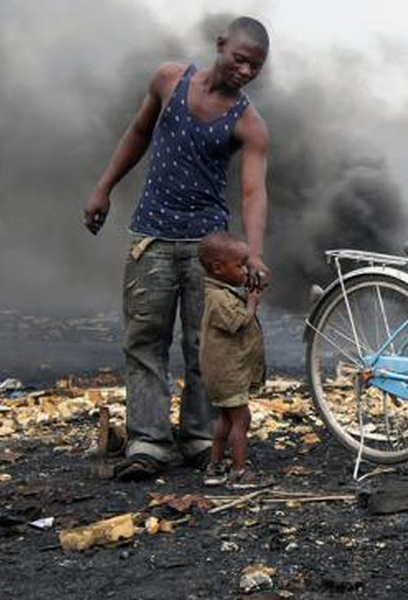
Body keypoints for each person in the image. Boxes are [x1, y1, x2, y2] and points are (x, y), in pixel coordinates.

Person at [82, 17, 271, 480]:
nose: (245, 71)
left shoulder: (249, 123)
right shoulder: (169, 79)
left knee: (206, 346)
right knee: (144, 341)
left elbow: (252, 192)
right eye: (240, 59)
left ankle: (201, 438)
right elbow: (138, 134)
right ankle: (147, 442)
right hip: (152, 236)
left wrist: (253, 253)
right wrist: (104, 187)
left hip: (209, 250)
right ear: (221, 45)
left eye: (256, 67)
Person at [196, 232, 266, 487]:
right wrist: (253, 302)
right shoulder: (217, 298)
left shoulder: (221, 291)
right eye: (240, 266)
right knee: (241, 419)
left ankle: (214, 468)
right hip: (227, 373)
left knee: (226, 419)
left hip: (226, 372)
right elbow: (240, 323)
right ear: (217, 268)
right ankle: (238, 471)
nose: (246, 271)